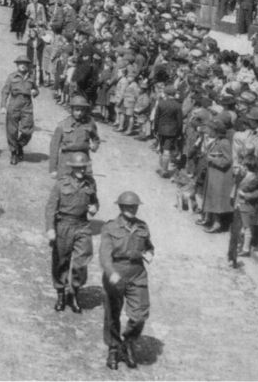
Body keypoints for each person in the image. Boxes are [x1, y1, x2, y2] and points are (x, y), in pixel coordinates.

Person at [99, 191, 154, 370]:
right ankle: (113, 348)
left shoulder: (143, 227)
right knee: (113, 313)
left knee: (139, 316)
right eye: (128, 206)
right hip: (116, 273)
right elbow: (104, 255)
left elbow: (149, 247)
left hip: (137, 274)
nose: (132, 209)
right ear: (121, 207)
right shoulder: (110, 228)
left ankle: (127, 342)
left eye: (134, 206)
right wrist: (110, 272)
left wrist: (149, 253)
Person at [45, 152, 98, 314]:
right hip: (63, 225)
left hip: (82, 225)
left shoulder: (90, 183)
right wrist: (50, 228)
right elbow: (50, 208)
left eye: (83, 167)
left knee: (82, 261)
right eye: (78, 168)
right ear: (72, 168)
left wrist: (95, 208)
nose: (81, 170)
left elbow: (95, 201)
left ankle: (74, 293)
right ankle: (61, 293)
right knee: (61, 261)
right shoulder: (61, 184)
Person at [49, 95, 99, 178]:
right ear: (71, 110)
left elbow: (96, 139)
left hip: (83, 159)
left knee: (86, 186)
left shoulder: (90, 123)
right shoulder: (62, 125)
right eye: (77, 110)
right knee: (65, 187)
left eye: (82, 110)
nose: (79, 113)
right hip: (66, 160)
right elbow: (54, 147)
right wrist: (53, 169)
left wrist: (95, 146)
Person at [1, 55, 38, 165]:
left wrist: (35, 92)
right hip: (14, 105)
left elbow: (36, 89)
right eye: (20, 63)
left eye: (25, 64)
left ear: (28, 66)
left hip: (27, 105)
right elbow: (5, 91)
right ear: (17, 65)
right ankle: (13, 153)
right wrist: (3, 105)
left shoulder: (31, 77)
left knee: (28, 130)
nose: (23, 65)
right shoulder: (11, 77)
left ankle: (19, 145)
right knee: (11, 131)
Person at [154, 86, 183, 178]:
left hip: (161, 129)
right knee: (167, 150)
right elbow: (180, 121)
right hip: (172, 131)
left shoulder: (161, 103)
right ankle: (164, 170)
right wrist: (179, 132)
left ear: (166, 94)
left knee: (162, 149)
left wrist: (155, 129)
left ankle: (163, 168)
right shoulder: (178, 106)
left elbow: (156, 118)